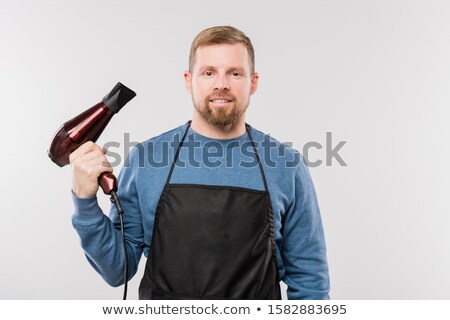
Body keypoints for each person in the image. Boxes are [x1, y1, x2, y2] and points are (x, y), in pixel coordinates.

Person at [70, 25, 330, 299]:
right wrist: (84, 202)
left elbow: (310, 283)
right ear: (188, 80)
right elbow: (116, 270)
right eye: (209, 72)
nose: (221, 84)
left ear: (253, 82)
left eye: (235, 73)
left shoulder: (286, 166)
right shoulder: (146, 161)